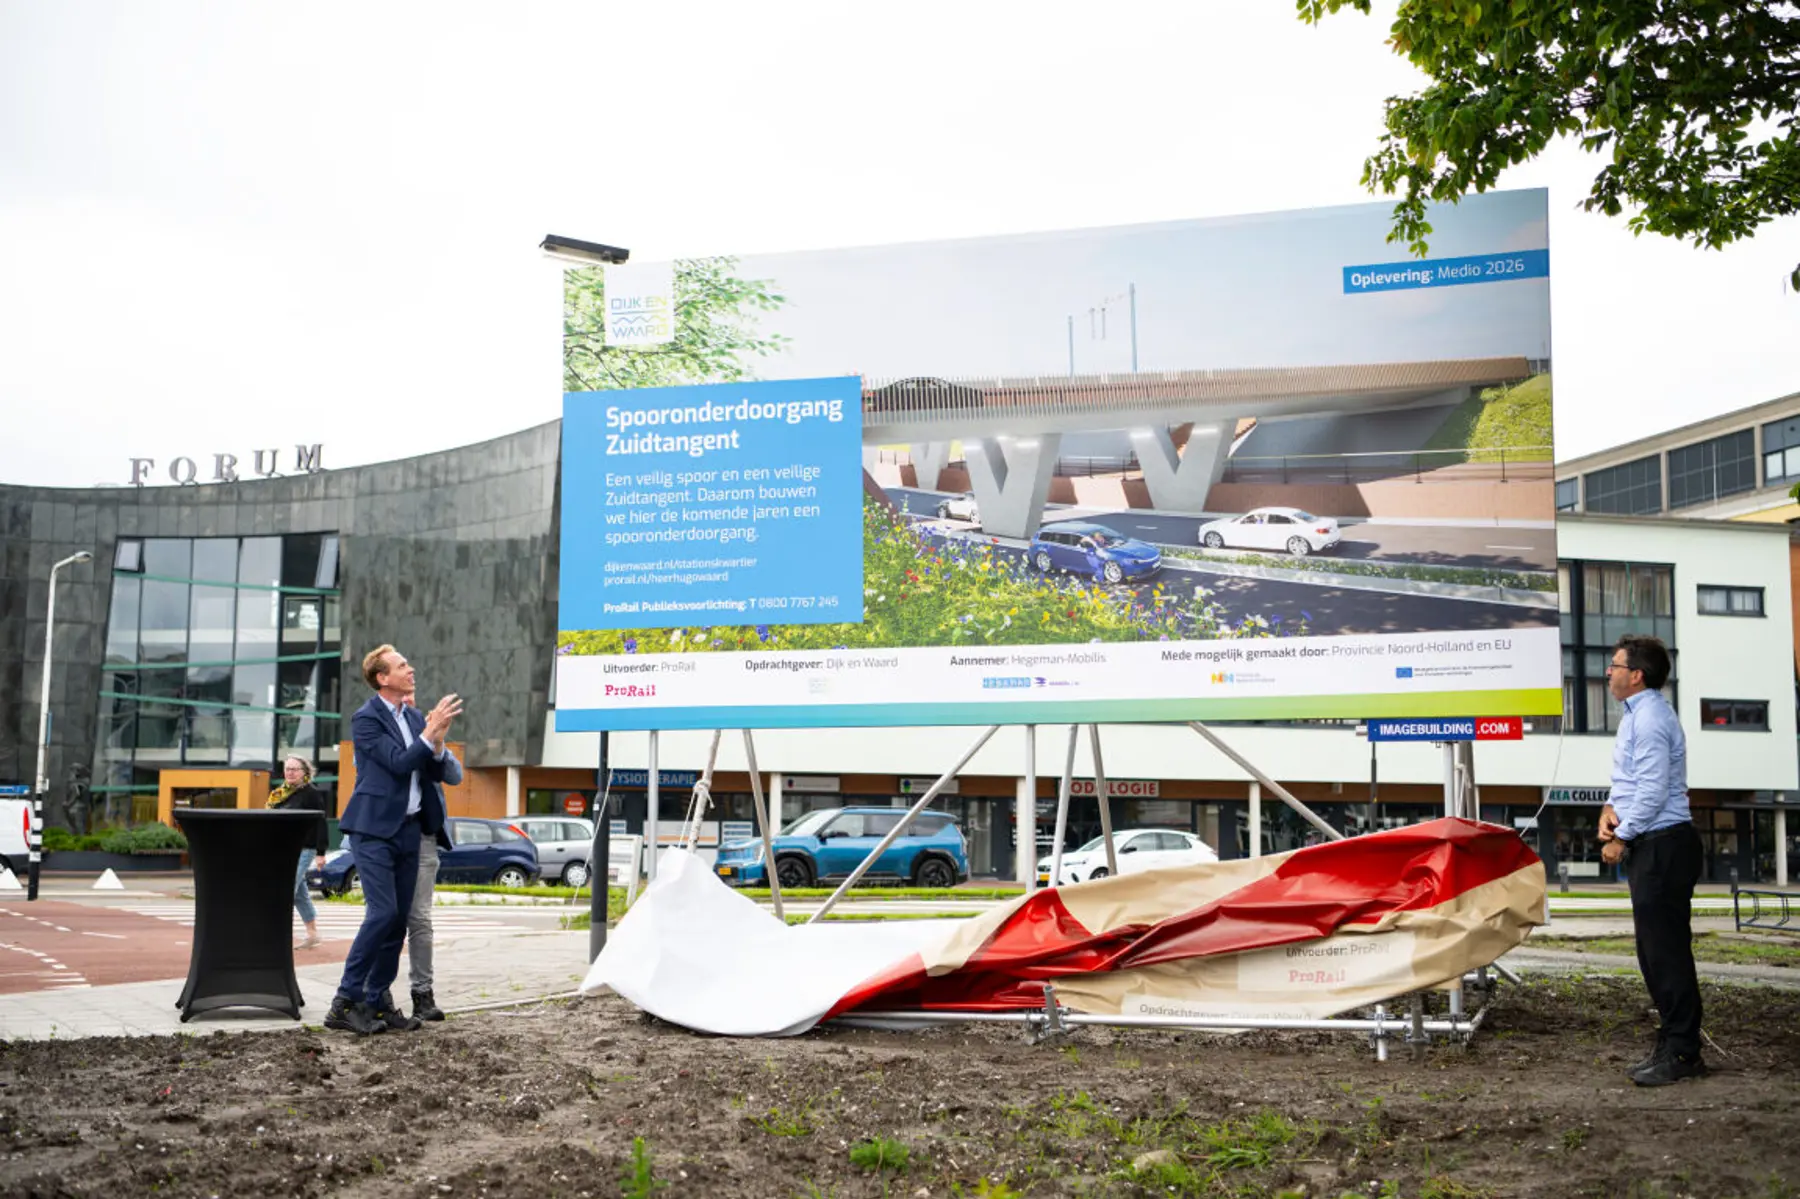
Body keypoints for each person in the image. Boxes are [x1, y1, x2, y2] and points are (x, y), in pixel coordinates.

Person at [324, 645, 462, 1037]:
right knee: (382, 913)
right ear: (383, 678)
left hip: (409, 829)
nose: (411, 669)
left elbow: (432, 770)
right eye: (403, 665)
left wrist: (436, 742)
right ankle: (344, 1001)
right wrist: (427, 735)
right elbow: (400, 764)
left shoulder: (415, 716)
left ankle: (377, 1000)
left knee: (399, 920)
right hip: (372, 830)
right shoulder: (365, 719)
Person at [1597, 633, 1706, 1086]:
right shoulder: (1636, 716)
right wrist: (1609, 808)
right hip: (1656, 841)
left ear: (1636, 675)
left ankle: (1682, 1053)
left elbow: (1655, 789)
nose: (1608, 672)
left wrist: (1621, 836)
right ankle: (1674, 1043)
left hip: (1663, 844)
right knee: (1655, 953)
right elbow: (1632, 780)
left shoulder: (1651, 719)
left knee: (1666, 954)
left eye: (1615, 665)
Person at [400, 691, 461, 1022]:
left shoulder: (430, 731)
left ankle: (422, 993)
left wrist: (436, 742)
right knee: (386, 916)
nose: (410, 701)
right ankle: (375, 992)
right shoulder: (378, 729)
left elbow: (454, 776)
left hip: (424, 835)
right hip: (391, 835)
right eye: (404, 696)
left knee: (420, 918)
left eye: (413, 696)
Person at [268, 755, 330, 949]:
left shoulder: (311, 794)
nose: (290, 773)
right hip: (283, 847)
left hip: (305, 847)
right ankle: (312, 934)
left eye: (295, 769)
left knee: (285, 889)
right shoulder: (280, 794)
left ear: (305, 772)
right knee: (298, 893)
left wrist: (321, 852)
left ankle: (276, 933)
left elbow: (321, 823)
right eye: (287, 769)